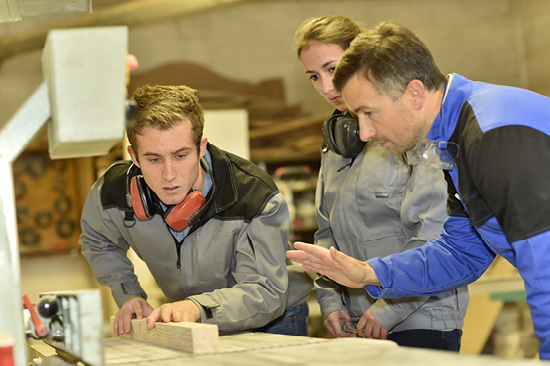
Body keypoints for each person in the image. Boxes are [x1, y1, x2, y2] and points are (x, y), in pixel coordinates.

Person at [286, 21, 550, 360]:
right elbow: (461, 253)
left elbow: (546, 269)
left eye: (369, 112)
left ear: (413, 93)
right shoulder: (454, 142)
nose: (363, 132)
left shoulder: (493, 134)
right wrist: (369, 273)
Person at [292, 16, 468, 350]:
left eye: (334, 69)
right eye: (314, 76)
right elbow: (327, 234)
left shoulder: (411, 131)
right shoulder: (335, 145)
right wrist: (332, 302)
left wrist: (387, 310)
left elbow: (435, 235)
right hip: (359, 323)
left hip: (422, 319)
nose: (327, 87)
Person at [79, 84, 311, 337]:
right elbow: (98, 239)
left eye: (180, 155)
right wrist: (128, 293)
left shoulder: (252, 196)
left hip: (272, 320)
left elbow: (265, 291)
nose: (169, 175)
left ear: (201, 147)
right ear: (134, 156)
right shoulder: (112, 192)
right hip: (193, 319)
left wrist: (197, 307)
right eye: (154, 159)